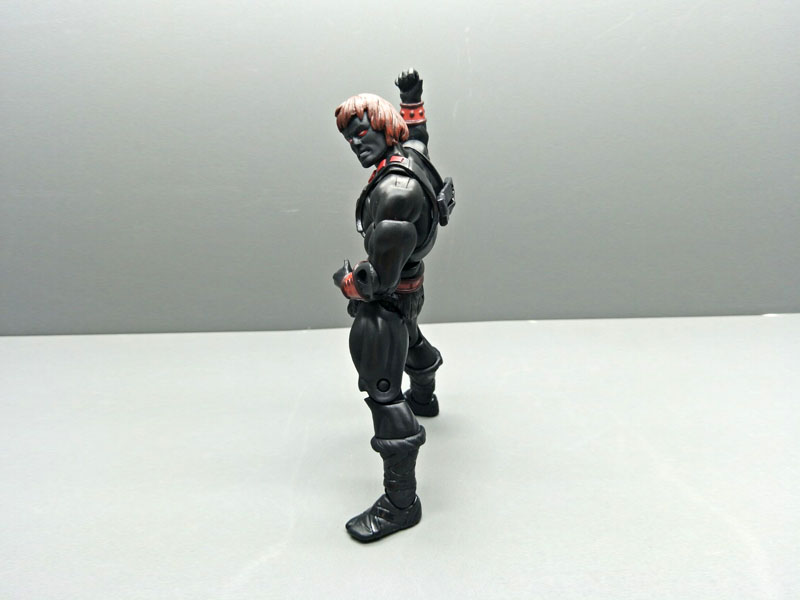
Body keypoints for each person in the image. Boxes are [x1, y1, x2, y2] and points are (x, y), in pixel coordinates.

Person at [332, 69, 454, 542]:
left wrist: (348, 284)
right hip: (412, 286)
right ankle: (425, 395)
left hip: (386, 302)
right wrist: (412, 97)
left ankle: (400, 503)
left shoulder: (393, 194)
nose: (356, 144)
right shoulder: (411, 155)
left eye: (361, 132)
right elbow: (419, 132)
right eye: (349, 137)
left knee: (383, 392)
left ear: (385, 128)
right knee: (413, 339)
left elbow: (377, 282)